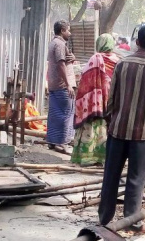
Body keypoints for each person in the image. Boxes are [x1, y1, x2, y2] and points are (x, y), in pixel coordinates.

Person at [99, 24, 145, 229]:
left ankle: (104, 218)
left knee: (111, 175)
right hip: (142, 135)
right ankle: (131, 221)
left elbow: (111, 98)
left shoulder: (122, 64)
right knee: (135, 179)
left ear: (137, 42)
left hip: (118, 130)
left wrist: (109, 121)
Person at [71, 34, 119, 166]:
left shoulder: (95, 58)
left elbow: (85, 80)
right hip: (110, 100)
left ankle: (87, 157)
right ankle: (104, 158)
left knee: (91, 126)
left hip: (92, 102)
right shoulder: (118, 61)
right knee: (106, 126)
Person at [46, 20, 77, 153]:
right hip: (62, 85)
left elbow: (62, 61)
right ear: (62, 30)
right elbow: (60, 64)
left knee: (54, 114)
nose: (69, 33)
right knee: (66, 114)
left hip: (54, 84)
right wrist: (68, 84)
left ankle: (53, 141)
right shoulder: (59, 44)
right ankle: (63, 143)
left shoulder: (54, 43)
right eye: (68, 30)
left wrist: (72, 58)